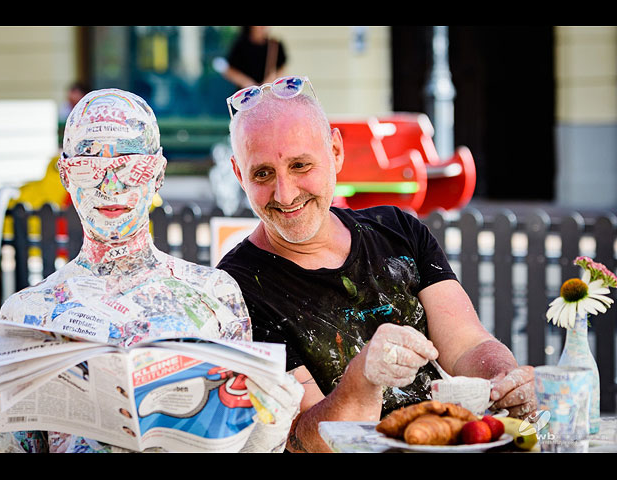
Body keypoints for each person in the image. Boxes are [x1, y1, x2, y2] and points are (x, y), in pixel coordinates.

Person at [217, 75, 537, 453]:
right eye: (263, 174)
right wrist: (364, 377)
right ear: (239, 174)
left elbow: (467, 343)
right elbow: (303, 439)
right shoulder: (233, 288)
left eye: (301, 165)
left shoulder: (397, 230)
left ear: (335, 151)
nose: (285, 194)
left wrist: (504, 379)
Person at [0, 88, 303, 453]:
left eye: (129, 167)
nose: (110, 187)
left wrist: (273, 423)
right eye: (89, 167)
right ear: (65, 176)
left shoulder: (214, 295)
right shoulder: (28, 312)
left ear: (157, 174)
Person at [223, 26, 287, 90]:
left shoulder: (274, 45)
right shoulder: (240, 45)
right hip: (246, 94)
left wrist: (270, 81)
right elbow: (229, 70)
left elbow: (281, 68)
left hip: (267, 92)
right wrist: (246, 82)